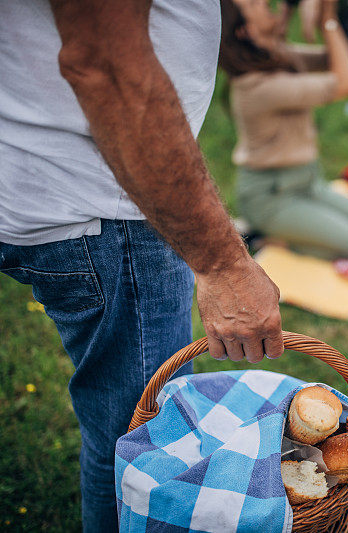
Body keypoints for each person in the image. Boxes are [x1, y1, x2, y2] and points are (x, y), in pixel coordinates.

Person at [0, 0, 284, 530]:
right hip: (103, 207)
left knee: (125, 429)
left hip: (46, 181)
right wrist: (223, 265)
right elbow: (104, 62)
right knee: (141, 444)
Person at [220, 0, 348, 260]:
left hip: (308, 182)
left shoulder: (280, 56)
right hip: (270, 197)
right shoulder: (256, 87)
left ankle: (284, 230)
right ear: (243, 31)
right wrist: (327, 19)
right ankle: (268, 238)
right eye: (252, 3)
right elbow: (346, 81)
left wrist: (308, 9)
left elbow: (339, 60)